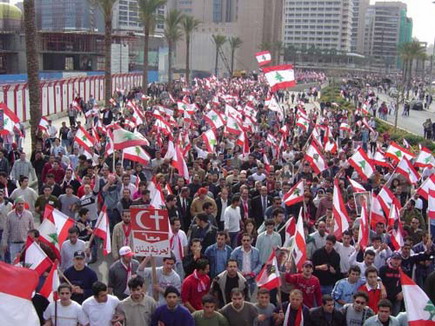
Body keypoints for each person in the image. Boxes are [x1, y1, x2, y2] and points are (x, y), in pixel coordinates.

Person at [1, 196, 34, 261]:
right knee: (14, 262)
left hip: (25, 244)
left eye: (22, 204)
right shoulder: (10, 215)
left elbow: (32, 229)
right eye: (19, 204)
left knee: (25, 263)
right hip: (13, 244)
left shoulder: (29, 215)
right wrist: (4, 243)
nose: (21, 205)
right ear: (15, 205)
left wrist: (32, 242)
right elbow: (6, 230)